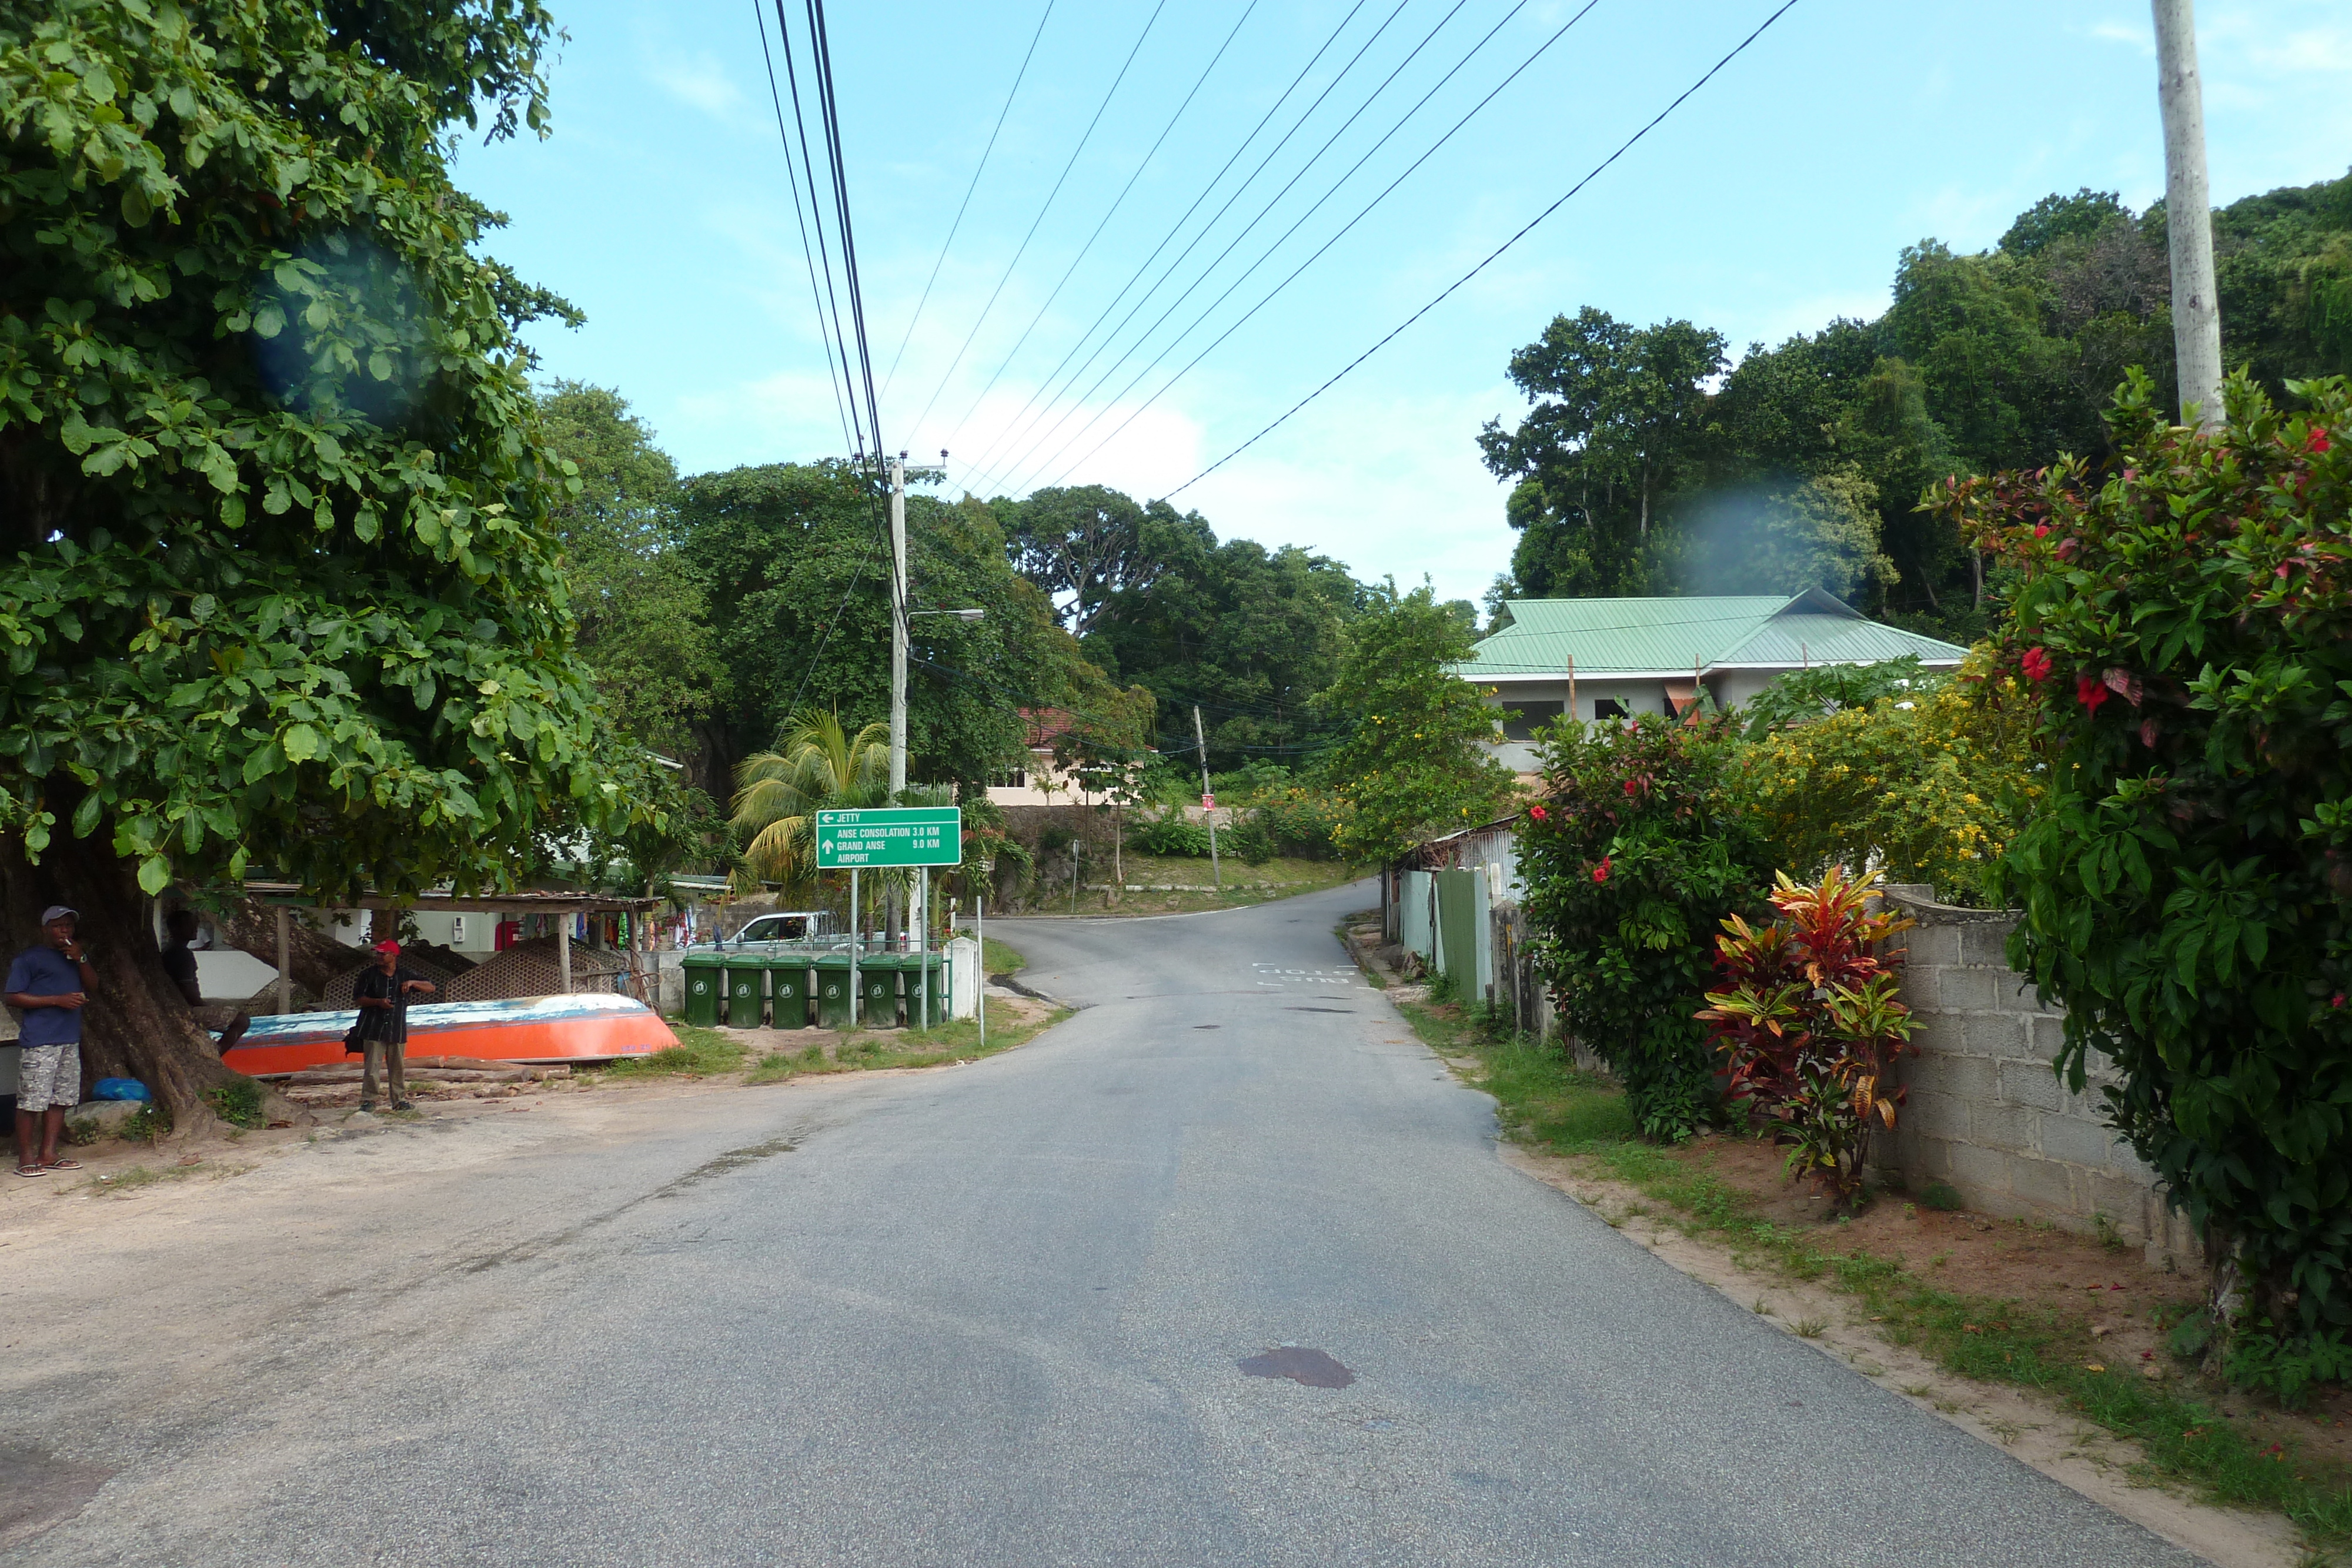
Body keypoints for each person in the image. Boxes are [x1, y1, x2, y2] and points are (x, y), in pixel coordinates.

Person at [6, 905, 98, 1178]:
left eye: (68, 926)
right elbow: (13, 996)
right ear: (45, 929)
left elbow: (93, 985)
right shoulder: (29, 959)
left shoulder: (74, 955)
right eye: (58, 926)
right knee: (32, 1101)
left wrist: (81, 958)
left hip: (68, 1038)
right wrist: (57, 1000)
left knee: (60, 1100)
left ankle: (49, 1153)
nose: (64, 931)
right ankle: (26, 1158)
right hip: (41, 1040)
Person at [350, 939, 435, 1113]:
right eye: (378, 954)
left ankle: (399, 1100)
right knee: (372, 1068)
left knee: (397, 1067)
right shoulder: (368, 975)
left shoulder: (405, 974)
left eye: (383, 954)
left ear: (394, 955)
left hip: (397, 1028)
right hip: (373, 1027)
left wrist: (413, 983)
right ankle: (369, 1100)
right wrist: (377, 1002)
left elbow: (431, 987)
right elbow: (359, 998)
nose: (379, 957)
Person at [159, 910, 249, 1052]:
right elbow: (188, 990)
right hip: (186, 1009)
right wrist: (204, 1006)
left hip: (174, 1007)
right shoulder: (182, 954)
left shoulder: (168, 950)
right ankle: (217, 1054)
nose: (195, 929)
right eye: (190, 925)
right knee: (242, 1020)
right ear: (176, 929)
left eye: (196, 925)